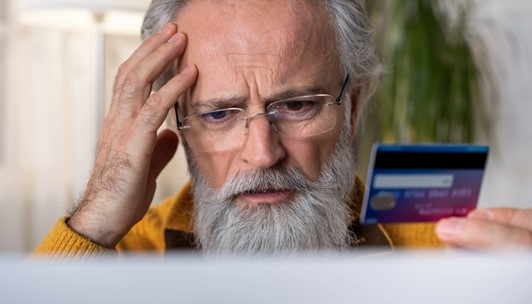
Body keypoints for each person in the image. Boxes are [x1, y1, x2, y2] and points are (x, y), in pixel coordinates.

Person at [34, 0, 532, 257]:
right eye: (219, 114)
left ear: (352, 108)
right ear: (179, 126)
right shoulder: (113, 257)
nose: (262, 152)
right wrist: (94, 221)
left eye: (296, 105)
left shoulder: (447, 259)